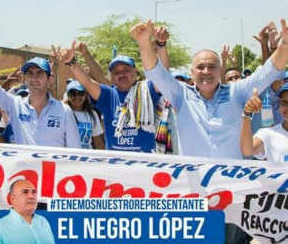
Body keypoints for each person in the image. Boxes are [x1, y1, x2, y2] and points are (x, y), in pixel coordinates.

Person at [130, 19, 288, 244]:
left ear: (220, 69)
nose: (206, 71)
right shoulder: (180, 94)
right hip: (192, 192)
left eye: (212, 66)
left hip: (231, 193)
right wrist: (145, 43)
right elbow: (155, 72)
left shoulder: (237, 91)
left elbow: (270, 71)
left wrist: (285, 45)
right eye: (201, 67)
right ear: (191, 71)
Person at [0, 17, 81, 148]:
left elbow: (75, 150)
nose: (34, 78)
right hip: (25, 170)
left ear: (49, 79)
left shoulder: (64, 111)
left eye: (39, 73)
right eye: (29, 73)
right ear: (25, 78)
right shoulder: (15, 105)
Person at [59, 41, 161, 153]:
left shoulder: (147, 91)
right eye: (116, 72)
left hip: (145, 165)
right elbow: (87, 82)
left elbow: (161, 74)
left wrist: (160, 45)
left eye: (126, 70)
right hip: (115, 166)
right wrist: (72, 62)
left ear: (135, 72)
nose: (121, 74)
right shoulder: (108, 95)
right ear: (111, 77)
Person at [240, 86, 288, 163]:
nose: (287, 107)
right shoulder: (269, 134)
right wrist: (246, 115)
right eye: (284, 102)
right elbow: (248, 150)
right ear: (279, 106)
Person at [0, 179, 55, 244]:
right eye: (25, 192)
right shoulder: (0, 227)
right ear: (12, 199)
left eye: (34, 192)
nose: (32, 196)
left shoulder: (43, 222)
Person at [66, 80, 105, 149]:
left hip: (86, 157)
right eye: (73, 93)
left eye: (80, 93)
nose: (77, 96)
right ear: (67, 96)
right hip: (68, 158)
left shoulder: (92, 115)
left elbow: (98, 143)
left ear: (86, 94)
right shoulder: (63, 113)